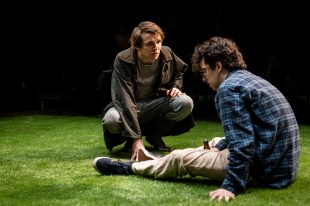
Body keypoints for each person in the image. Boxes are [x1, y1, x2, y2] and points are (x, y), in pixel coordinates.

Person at [92, 36, 300, 202]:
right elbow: (252, 129)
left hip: (264, 170)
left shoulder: (229, 89)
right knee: (217, 142)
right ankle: (162, 160)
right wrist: (221, 146)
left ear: (217, 66)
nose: (204, 79)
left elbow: (243, 145)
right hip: (283, 166)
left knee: (180, 158)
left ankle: (129, 167)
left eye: (204, 71)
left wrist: (231, 186)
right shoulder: (250, 79)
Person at [101, 21, 195, 160]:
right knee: (111, 120)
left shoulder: (166, 53)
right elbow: (125, 99)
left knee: (185, 102)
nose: (156, 47)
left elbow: (178, 72)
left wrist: (175, 86)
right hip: (130, 105)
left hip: (155, 103)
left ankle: (154, 135)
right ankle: (130, 140)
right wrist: (136, 138)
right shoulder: (123, 59)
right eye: (150, 43)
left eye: (158, 41)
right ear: (138, 46)